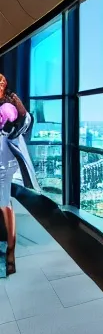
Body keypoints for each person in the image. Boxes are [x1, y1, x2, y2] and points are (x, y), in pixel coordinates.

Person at [0, 73, 31, 277]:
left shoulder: (7, 107)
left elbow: (18, 124)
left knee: (3, 203)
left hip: (2, 163)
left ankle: (11, 250)